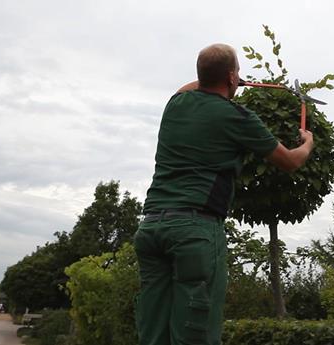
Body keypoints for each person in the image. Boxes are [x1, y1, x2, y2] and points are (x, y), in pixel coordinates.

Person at [134, 43, 314, 345]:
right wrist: (307, 142)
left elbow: (190, 86)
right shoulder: (237, 117)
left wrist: (224, 78)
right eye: (238, 73)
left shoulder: (175, 105)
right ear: (231, 77)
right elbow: (290, 162)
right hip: (195, 231)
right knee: (196, 332)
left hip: (151, 228)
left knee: (153, 332)